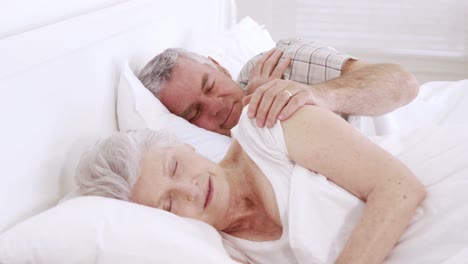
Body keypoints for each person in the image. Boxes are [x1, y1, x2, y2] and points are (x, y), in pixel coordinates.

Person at [75, 101, 468, 263]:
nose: (190, 189)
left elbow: (399, 188)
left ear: (184, 146)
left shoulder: (268, 125)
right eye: (169, 204)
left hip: (448, 182)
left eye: (176, 168)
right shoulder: (225, 252)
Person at [138, 38, 419, 136]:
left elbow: (403, 84)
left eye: (210, 85)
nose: (216, 106)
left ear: (219, 67)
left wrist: (311, 96)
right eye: (193, 112)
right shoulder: (213, 159)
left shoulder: (280, 62)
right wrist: (256, 117)